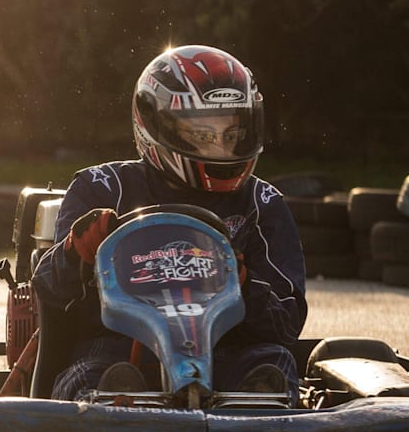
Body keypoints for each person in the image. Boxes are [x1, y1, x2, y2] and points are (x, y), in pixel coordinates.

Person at [31, 44, 307, 403]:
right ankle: (115, 418)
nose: (221, 148)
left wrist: (242, 288)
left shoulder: (261, 204)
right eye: (204, 135)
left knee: (274, 365)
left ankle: (259, 426)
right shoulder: (102, 189)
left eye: (233, 134)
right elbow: (50, 291)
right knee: (91, 377)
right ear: (155, 124)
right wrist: (74, 252)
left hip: (228, 351)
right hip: (117, 348)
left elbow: (286, 323)